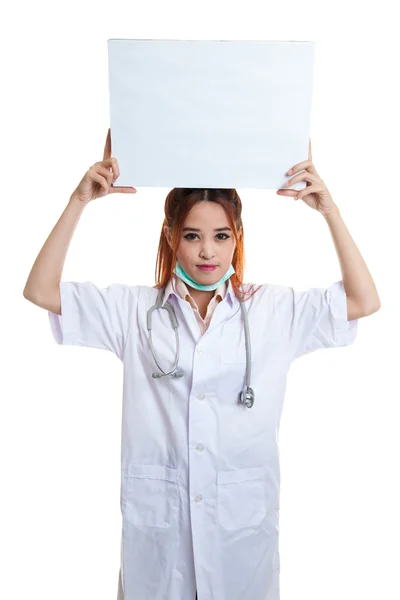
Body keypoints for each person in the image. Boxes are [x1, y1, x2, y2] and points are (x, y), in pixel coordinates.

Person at [23, 129, 380, 600]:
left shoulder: (273, 312)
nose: (207, 251)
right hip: (160, 550)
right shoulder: (134, 312)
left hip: (241, 546)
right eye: (192, 235)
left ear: (237, 239)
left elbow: (362, 299)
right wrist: (79, 201)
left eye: (220, 236)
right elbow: (41, 291)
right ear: (171, 237)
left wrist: (328, 210)